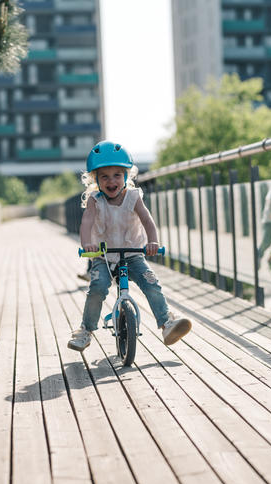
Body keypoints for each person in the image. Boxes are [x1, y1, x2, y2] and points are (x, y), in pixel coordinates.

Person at [67, 141, 192, 351]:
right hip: (103, 256)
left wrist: (153, 241)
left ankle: (166, 322)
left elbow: (147, 219)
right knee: (97, 288)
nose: (111, 180)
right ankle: (85, 331)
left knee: (151, 283)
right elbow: (87, 221)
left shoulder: (133, 197)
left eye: (117, 174)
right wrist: (86, 244)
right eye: (104, 176)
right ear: (95, 179)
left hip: (133, 254)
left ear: (126, 176)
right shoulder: (94, 200)